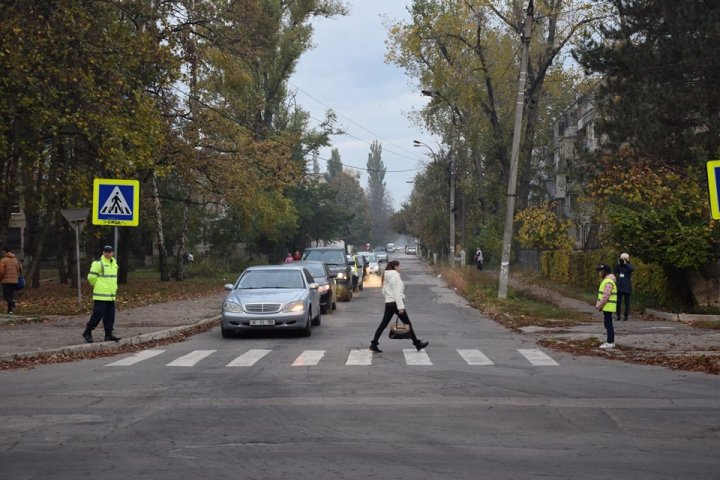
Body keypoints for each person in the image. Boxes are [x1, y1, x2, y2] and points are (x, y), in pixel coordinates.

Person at [369, 260, 428, 353]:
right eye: (399, 266)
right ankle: (417, 344)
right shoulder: (395, 277)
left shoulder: (386, 276)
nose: (400, 268)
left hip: (389, 303)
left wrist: (389, 297)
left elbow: (384, 291)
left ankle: (374, 344)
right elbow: (397, 293)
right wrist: (401, 308)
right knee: (407, 324)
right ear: (395, 267)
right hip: (396, 304)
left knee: (383, 325)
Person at [82, 246, 121, 343]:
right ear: (103, 252)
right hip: (101, 295)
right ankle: (87, 332)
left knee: (110, 316)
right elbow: (91, 278)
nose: (107, 253)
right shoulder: (98, 263)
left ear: (113, 253)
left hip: (111, 295)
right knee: (97, 315)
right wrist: (98, 285)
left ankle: (108, 335)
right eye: (106, 251)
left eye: (109, 251)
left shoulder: (114, 264)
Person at [595, 264, 617, 349]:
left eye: (600, 272)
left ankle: (610, 342)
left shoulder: (608, 282)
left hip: (607, 306)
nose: (599, 274)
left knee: (608, 324)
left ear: (604, 272)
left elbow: (606, 296)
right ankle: (610, 341)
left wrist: (599, 305)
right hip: (607, 306)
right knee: (607, 324)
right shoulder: (607, 280)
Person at [0, 246, 22, 314]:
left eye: (3, 251)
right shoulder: (15, 259)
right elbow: (20, 268)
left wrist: (0, 278)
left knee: (6, 295)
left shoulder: (3, 260)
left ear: (5, 251)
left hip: (6, 281)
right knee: (10, 295)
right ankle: (10, 311)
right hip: (14, 280)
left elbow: (1, 271)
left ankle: (13, 303)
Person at [614, 252, 634, 322]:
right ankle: (618, 316)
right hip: (619, 286)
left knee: (626, 302)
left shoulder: (629, 265)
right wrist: (618, 263)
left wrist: (626, 263)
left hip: (627, 286)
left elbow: (632, 269)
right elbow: (615, 271)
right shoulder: (619, 266)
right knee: (618, 302)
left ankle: (625, 316)